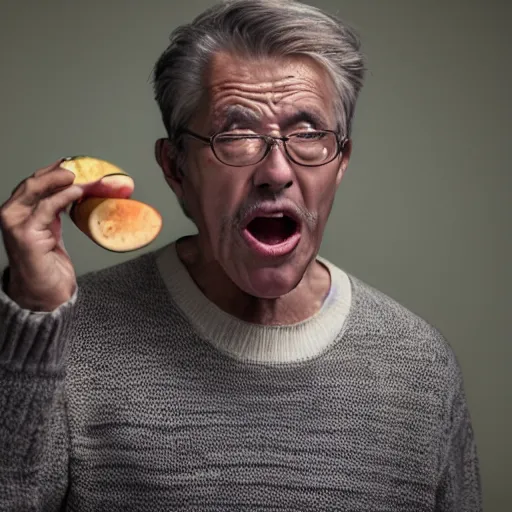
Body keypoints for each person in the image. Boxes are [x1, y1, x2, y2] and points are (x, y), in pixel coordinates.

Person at [0, 0, 482, 510]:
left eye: (309, 135)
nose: (276, 171)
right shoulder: (68, 337)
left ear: (340, 162)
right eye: (236, 136)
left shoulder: (420, 369)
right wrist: (32, 320)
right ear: (176, 168)